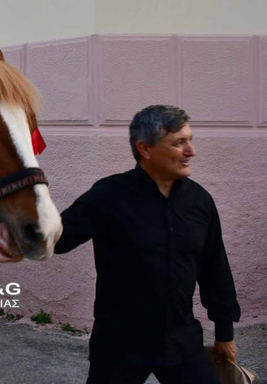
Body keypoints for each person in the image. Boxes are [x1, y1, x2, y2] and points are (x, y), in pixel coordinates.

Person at [55, 105, 240, 384]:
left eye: (190, 140)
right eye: (179, 143)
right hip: (119, 344)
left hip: (182, 341)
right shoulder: (107, 196)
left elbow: (215, 268)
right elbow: (58, 240)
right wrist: (21, 214)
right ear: (145, 149)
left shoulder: (199, 201)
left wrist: (225, 332)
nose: (191, 151)